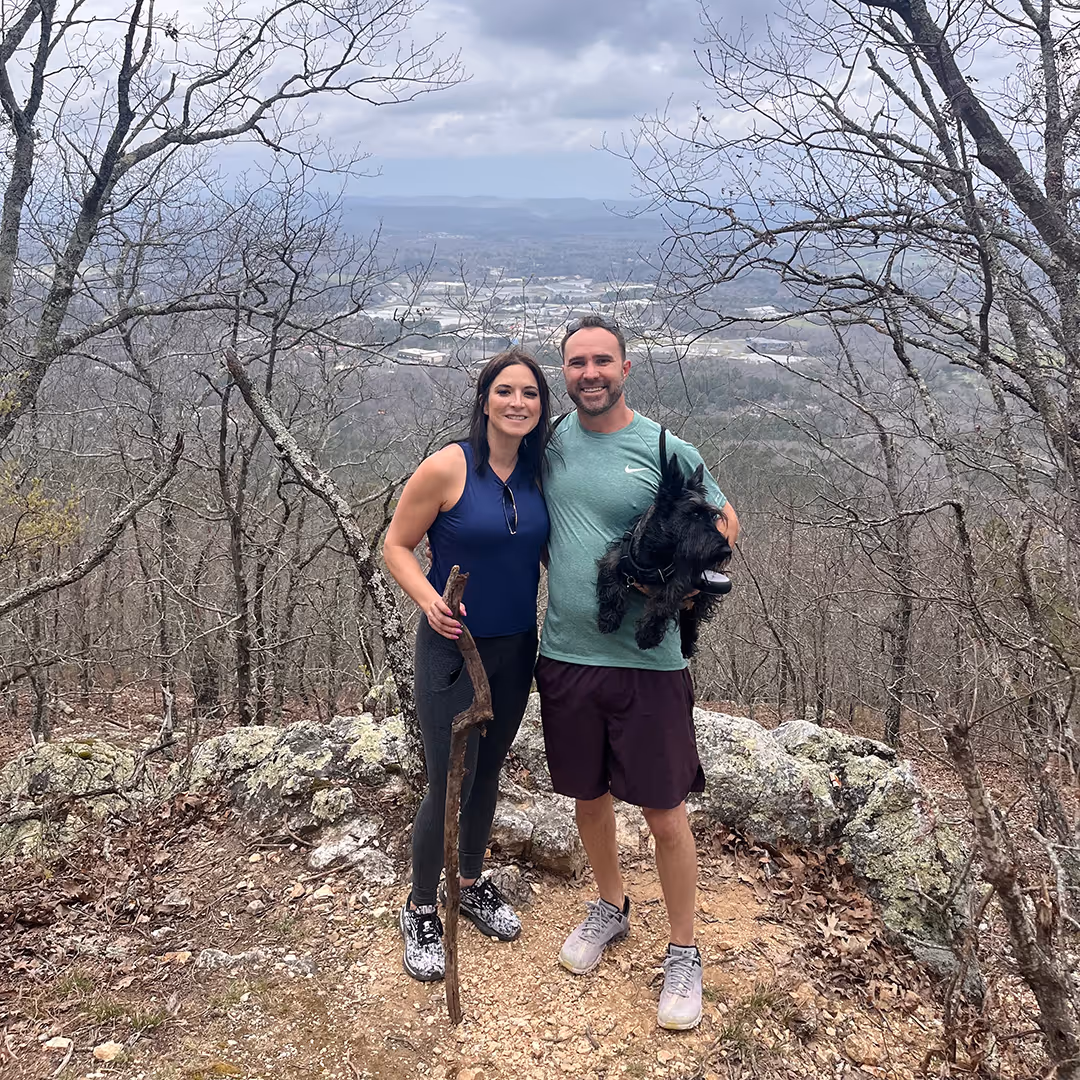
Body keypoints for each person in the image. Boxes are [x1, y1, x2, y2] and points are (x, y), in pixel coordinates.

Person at [535, 315, 740, 1030]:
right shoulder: (550, 441)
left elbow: (726, 525)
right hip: (564, 654)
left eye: (601, 361)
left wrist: (677, 581)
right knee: (588, 798)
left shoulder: (663, 446)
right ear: (565, 372)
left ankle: (684, 950)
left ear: (625, 367)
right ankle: (610, 905)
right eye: (576, 363)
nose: (589, 373)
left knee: (664, 813)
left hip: (649, 664)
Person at [382, 347, 553, 982]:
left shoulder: (539, 475)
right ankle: (422, 904)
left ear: (541, 406)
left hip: (516, 646)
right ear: (485, 399)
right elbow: (395, 545)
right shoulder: (449, 467)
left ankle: (471, 880)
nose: (518, 403)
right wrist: (430, 602)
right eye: (505, 391)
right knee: (445, 777)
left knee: (488, 772)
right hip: (454, 646)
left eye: (530, 394)